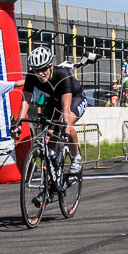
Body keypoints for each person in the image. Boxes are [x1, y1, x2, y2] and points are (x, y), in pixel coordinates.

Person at [18, 45, 87, 176]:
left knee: (66, 123)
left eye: (43, 69)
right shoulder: (32, 76)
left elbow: (66, 107)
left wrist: (65, 129)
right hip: (55, 101)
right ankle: (48, 188)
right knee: (48, 137)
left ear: (51, 66)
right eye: (36, 70)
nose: (40, 73)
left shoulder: (62, 74)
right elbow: (26, 100)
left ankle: (76, 157)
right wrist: (19, 121)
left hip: (75, 98)